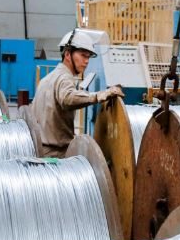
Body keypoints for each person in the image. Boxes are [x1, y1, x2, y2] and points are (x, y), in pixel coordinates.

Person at [32, 28, 124, 157]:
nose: (86, 61)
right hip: (57, 155)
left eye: (88, 57)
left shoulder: (46, 79)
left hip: (39, 150)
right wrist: (98, 95)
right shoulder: (64, 78)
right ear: (68, 54)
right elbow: (68, 98)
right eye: (83, 55)